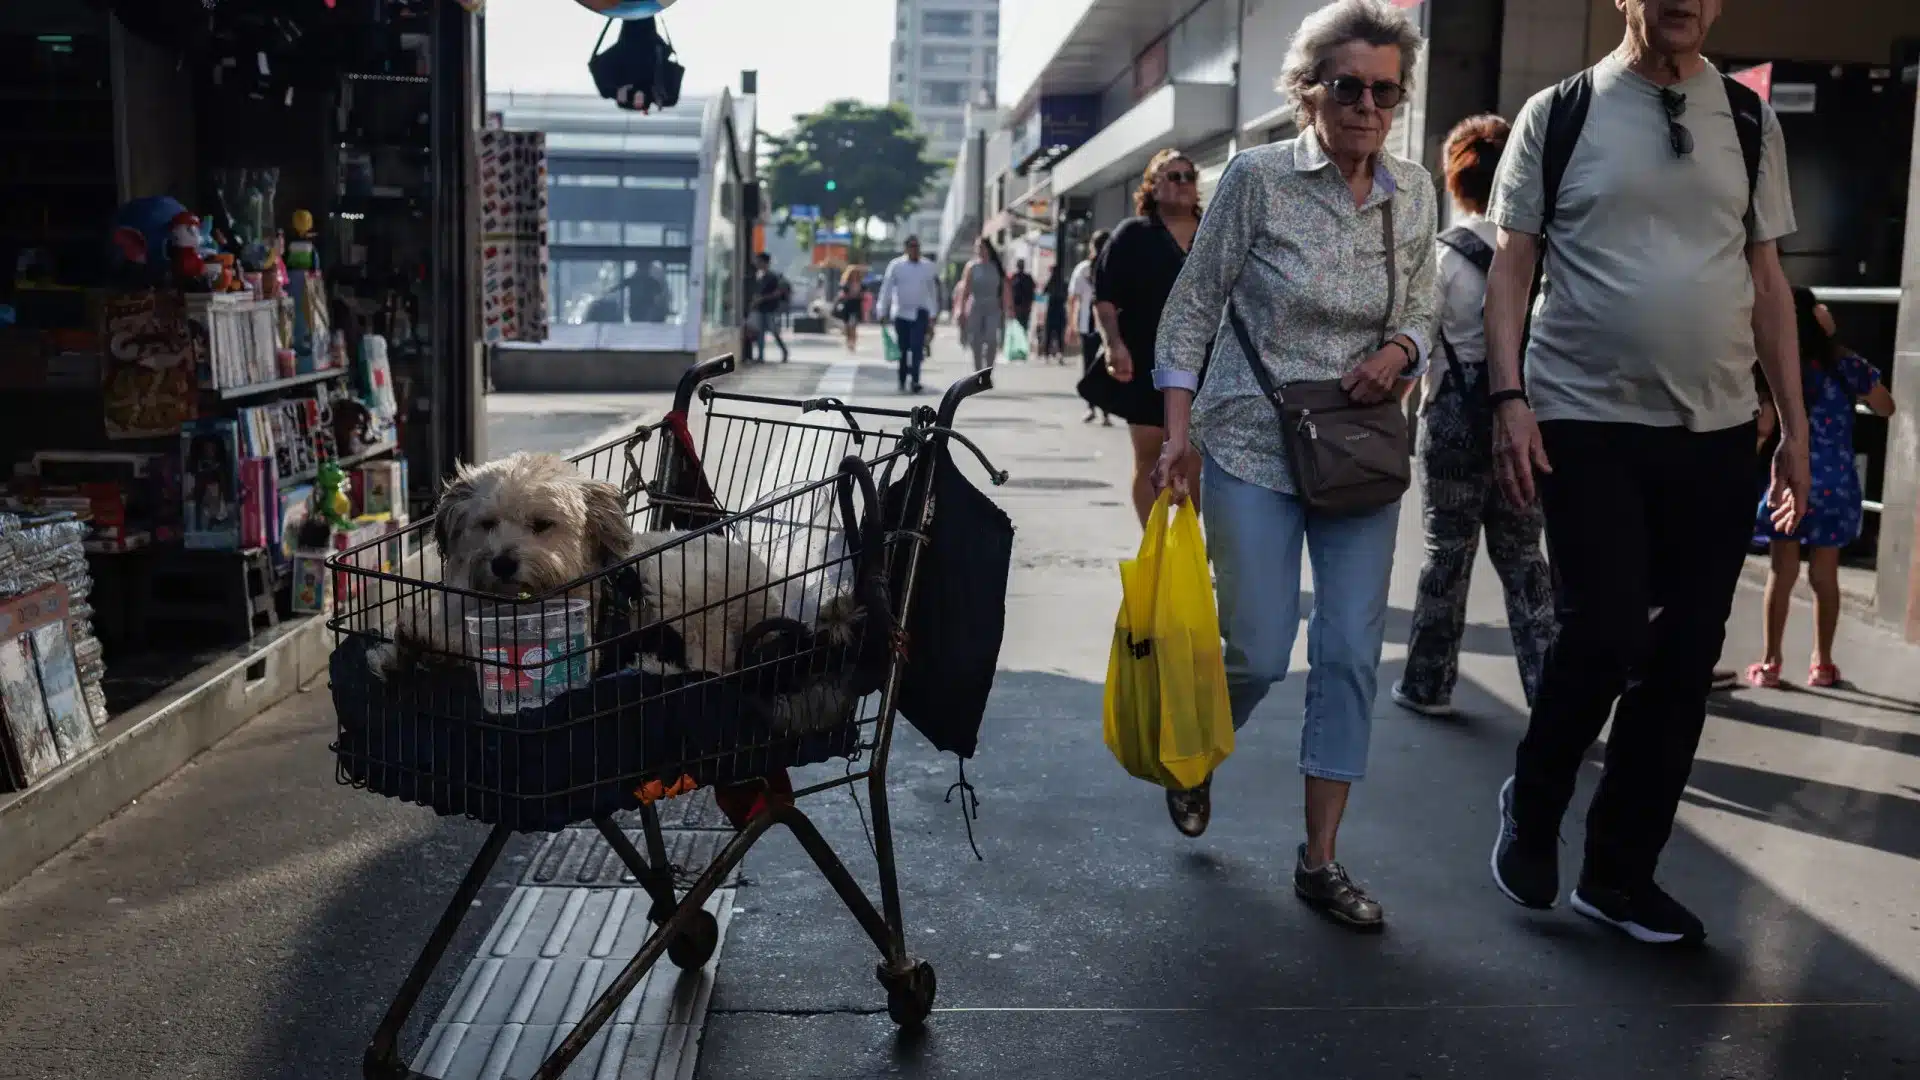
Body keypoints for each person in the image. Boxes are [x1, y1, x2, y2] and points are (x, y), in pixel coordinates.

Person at [1484, 0, 1810, 945]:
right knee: (1609, 627)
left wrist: (1792, 423)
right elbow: (1513, 268)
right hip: (1584, 415)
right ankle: (1534, 803)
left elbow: (1767, 279)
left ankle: (1619, 875)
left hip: (1714, 429)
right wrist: (1510, 401)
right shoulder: (1565, 110)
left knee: (1683, 660)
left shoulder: (1748, 117)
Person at [1152, 0, 1436, 931]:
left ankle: (1321, 860)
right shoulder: (1256, 179)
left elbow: (1427, 307)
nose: (1366, 106)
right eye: (1347, 86)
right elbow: (1192, 308)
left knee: (1352, 655)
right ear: (1308, 92)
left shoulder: (1415, 189)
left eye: (1384, 91)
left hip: (1357, 451)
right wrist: (1176, 433)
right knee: (1260, 648)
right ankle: (1193, 753)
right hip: (1248, 440)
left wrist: (1399, 351)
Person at [1392, 114, 1555, 716]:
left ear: (1452, 178)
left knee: (1446, 556)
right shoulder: (1541, 257)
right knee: (1525, 561)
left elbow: (1415, 353)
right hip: (1528, 418)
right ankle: (1550, 694)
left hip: (1454, 423)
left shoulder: (1443, 258)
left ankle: (1428, 684)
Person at [1746, 288, 1896, 688]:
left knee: (1782, 573)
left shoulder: (1775, 363)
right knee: (1825, 577)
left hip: (1790, 479)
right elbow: (1886, 406)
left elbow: (1762, 424)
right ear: (1815, 315)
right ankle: (1823, 664)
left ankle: (1770, 663)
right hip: (1835, 484)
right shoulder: (1843, 362)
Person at [1095, 148, 1206, 526]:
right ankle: (1154, 545)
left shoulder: (1214, 231)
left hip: (1206, 361)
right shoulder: (1132, 235)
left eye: (1188, 176)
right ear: (1153, 187)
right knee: (1148, 456)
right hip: (1145, 359)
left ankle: (1189, 545)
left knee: (1195, 455)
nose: (1182, 184)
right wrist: (1114, 345)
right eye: (1171, 176)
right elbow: (1106, 296)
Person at [876, 235, 942, 394]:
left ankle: (915, 380)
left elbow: (932, 291)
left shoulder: (928, 266)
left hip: (920, 312)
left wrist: (933, 314)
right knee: (904, 348)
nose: (914, 250)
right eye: (911, 247)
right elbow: (887, 289)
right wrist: (882, 310)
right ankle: (902, 377)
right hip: (901, 313)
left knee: (917, 347)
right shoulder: (896, 265)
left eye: (917, 247)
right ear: (906, 249)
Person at [1067, 230, 1112, 425]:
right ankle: (1103, 410)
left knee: (1089, 367)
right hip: (1107, 325)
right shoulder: (1103, 268)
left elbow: (1072, 300)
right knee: (1106, 368)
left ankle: (1093, 408)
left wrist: (1071, 324)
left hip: (1093, 325)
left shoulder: (1088, 268)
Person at [955, 238, 1011, 372]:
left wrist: (1008, 308)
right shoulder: (971, 266)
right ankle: (978, 370)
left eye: (982, 247)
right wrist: (961, 310)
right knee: (976, 341)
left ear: (988, 249)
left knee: (992, 339)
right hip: (976, 306)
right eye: (977, 247)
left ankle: (988, 369)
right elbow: (965, 290)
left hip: (993, 306)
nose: (979, 250)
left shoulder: (996, 266)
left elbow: (1005, 289)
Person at [749, 252, 790, 364]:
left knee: (774, 332)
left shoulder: (773, 277)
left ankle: (784, 351)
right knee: (760, 333)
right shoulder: (760, 276)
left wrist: (763, 298)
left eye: (759, 261)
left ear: (765, 262)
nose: (757, 264)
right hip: (761, 309)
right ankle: (760, 356)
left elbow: (777, 293)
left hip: (771, 309)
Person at [1041, 264, 1069, 362]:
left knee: (1049, 333)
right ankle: (1060, 354)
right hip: (1060, 310)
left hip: (1051, 310)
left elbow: (1044, 292)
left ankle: (1047, 355)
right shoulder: (1064, 283)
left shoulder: (1051, 282)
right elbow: (1067, 296)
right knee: (1059, 333)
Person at [836, 265, 864, 351]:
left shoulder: (861, 283)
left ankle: (853, 343)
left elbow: (863, 295)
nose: (854, 275)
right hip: (847, 305)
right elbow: (842, 294)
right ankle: (849, 340)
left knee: (853, 325)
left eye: (856, 273)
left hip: (856, 306)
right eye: (853, 273)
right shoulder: (845, 283)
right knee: (847, 326)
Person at [1009, 259, 1037, 338]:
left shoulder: (1024, 277)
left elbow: (1033, 290)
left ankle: (1021, 342)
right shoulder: (1015, 277)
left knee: (1022, 326)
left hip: (1023, 306)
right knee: (1018, 326)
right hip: (1018, 306)